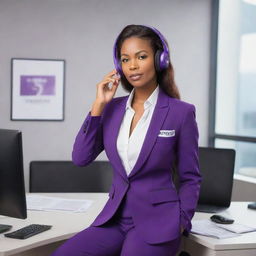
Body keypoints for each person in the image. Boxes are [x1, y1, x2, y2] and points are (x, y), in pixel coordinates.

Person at [51, 24, 202, 256]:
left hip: (158, 223)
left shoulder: (181, 113)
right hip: (114, 219)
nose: (132, 65)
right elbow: (80, 158)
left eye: (141, 57)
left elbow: (190, 177)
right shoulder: (111, 109)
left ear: (160, 59)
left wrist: (182, 221)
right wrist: (98, 107)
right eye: (125, 59)